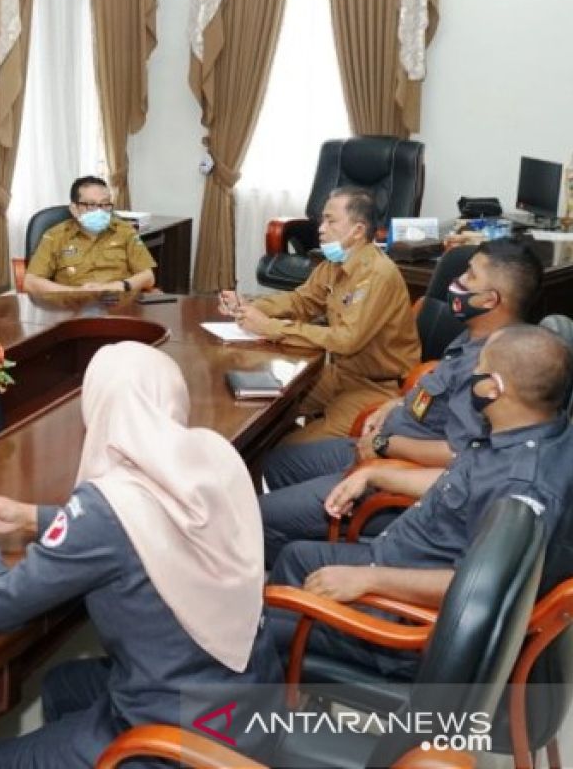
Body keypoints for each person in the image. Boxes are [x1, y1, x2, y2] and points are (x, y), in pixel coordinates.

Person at [0, 342, 281, 767]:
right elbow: (149, 525)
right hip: (252, 697)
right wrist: (33, 517)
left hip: (172, 740)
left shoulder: (107, 507)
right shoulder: (215, 458)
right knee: (63, 684)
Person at [267, 324, 573, 678]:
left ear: (493, 388)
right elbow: (458, 483)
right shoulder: (526, 434)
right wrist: (374, 475)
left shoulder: (523, 488)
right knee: (294, 557)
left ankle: (270, 707)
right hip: (398, 560)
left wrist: (368, 580)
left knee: (262, 626)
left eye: (480, 369)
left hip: (407, 620)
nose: (471, 375)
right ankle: (290, 679)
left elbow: (474, 588)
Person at [259, 238, 543, 565]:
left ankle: (286, 584)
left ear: (490, 299)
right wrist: (395, 404)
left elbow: (459, 454)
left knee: (263, 517)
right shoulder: (474, 333)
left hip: (399, 474)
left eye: (470, 276)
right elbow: (434, 389)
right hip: (378, 445)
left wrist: (384, 444)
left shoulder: (492, 367)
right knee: (275, 463)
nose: (459, 281)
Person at [220, 187, 420, 443]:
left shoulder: (377, 274)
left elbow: (346, 340)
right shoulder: (333, 265)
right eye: (322, 220)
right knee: (259, 407)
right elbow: (301, 301)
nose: (321, 228)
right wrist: (249, 306)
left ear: (358, 230)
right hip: (339, 375)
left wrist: (269, 327)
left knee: (289, 448)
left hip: (376, 387)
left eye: (331, 220)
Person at [22, 176, 156, 294]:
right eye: (91, 205)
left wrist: (118, 286)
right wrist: (76, 292)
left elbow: (148, 277)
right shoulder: (55, 236)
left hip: (119, 304)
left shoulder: (125, 231)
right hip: (72, 307)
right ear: (74, 209)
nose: (100, 210)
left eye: (105, 204)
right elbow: (31, 282)